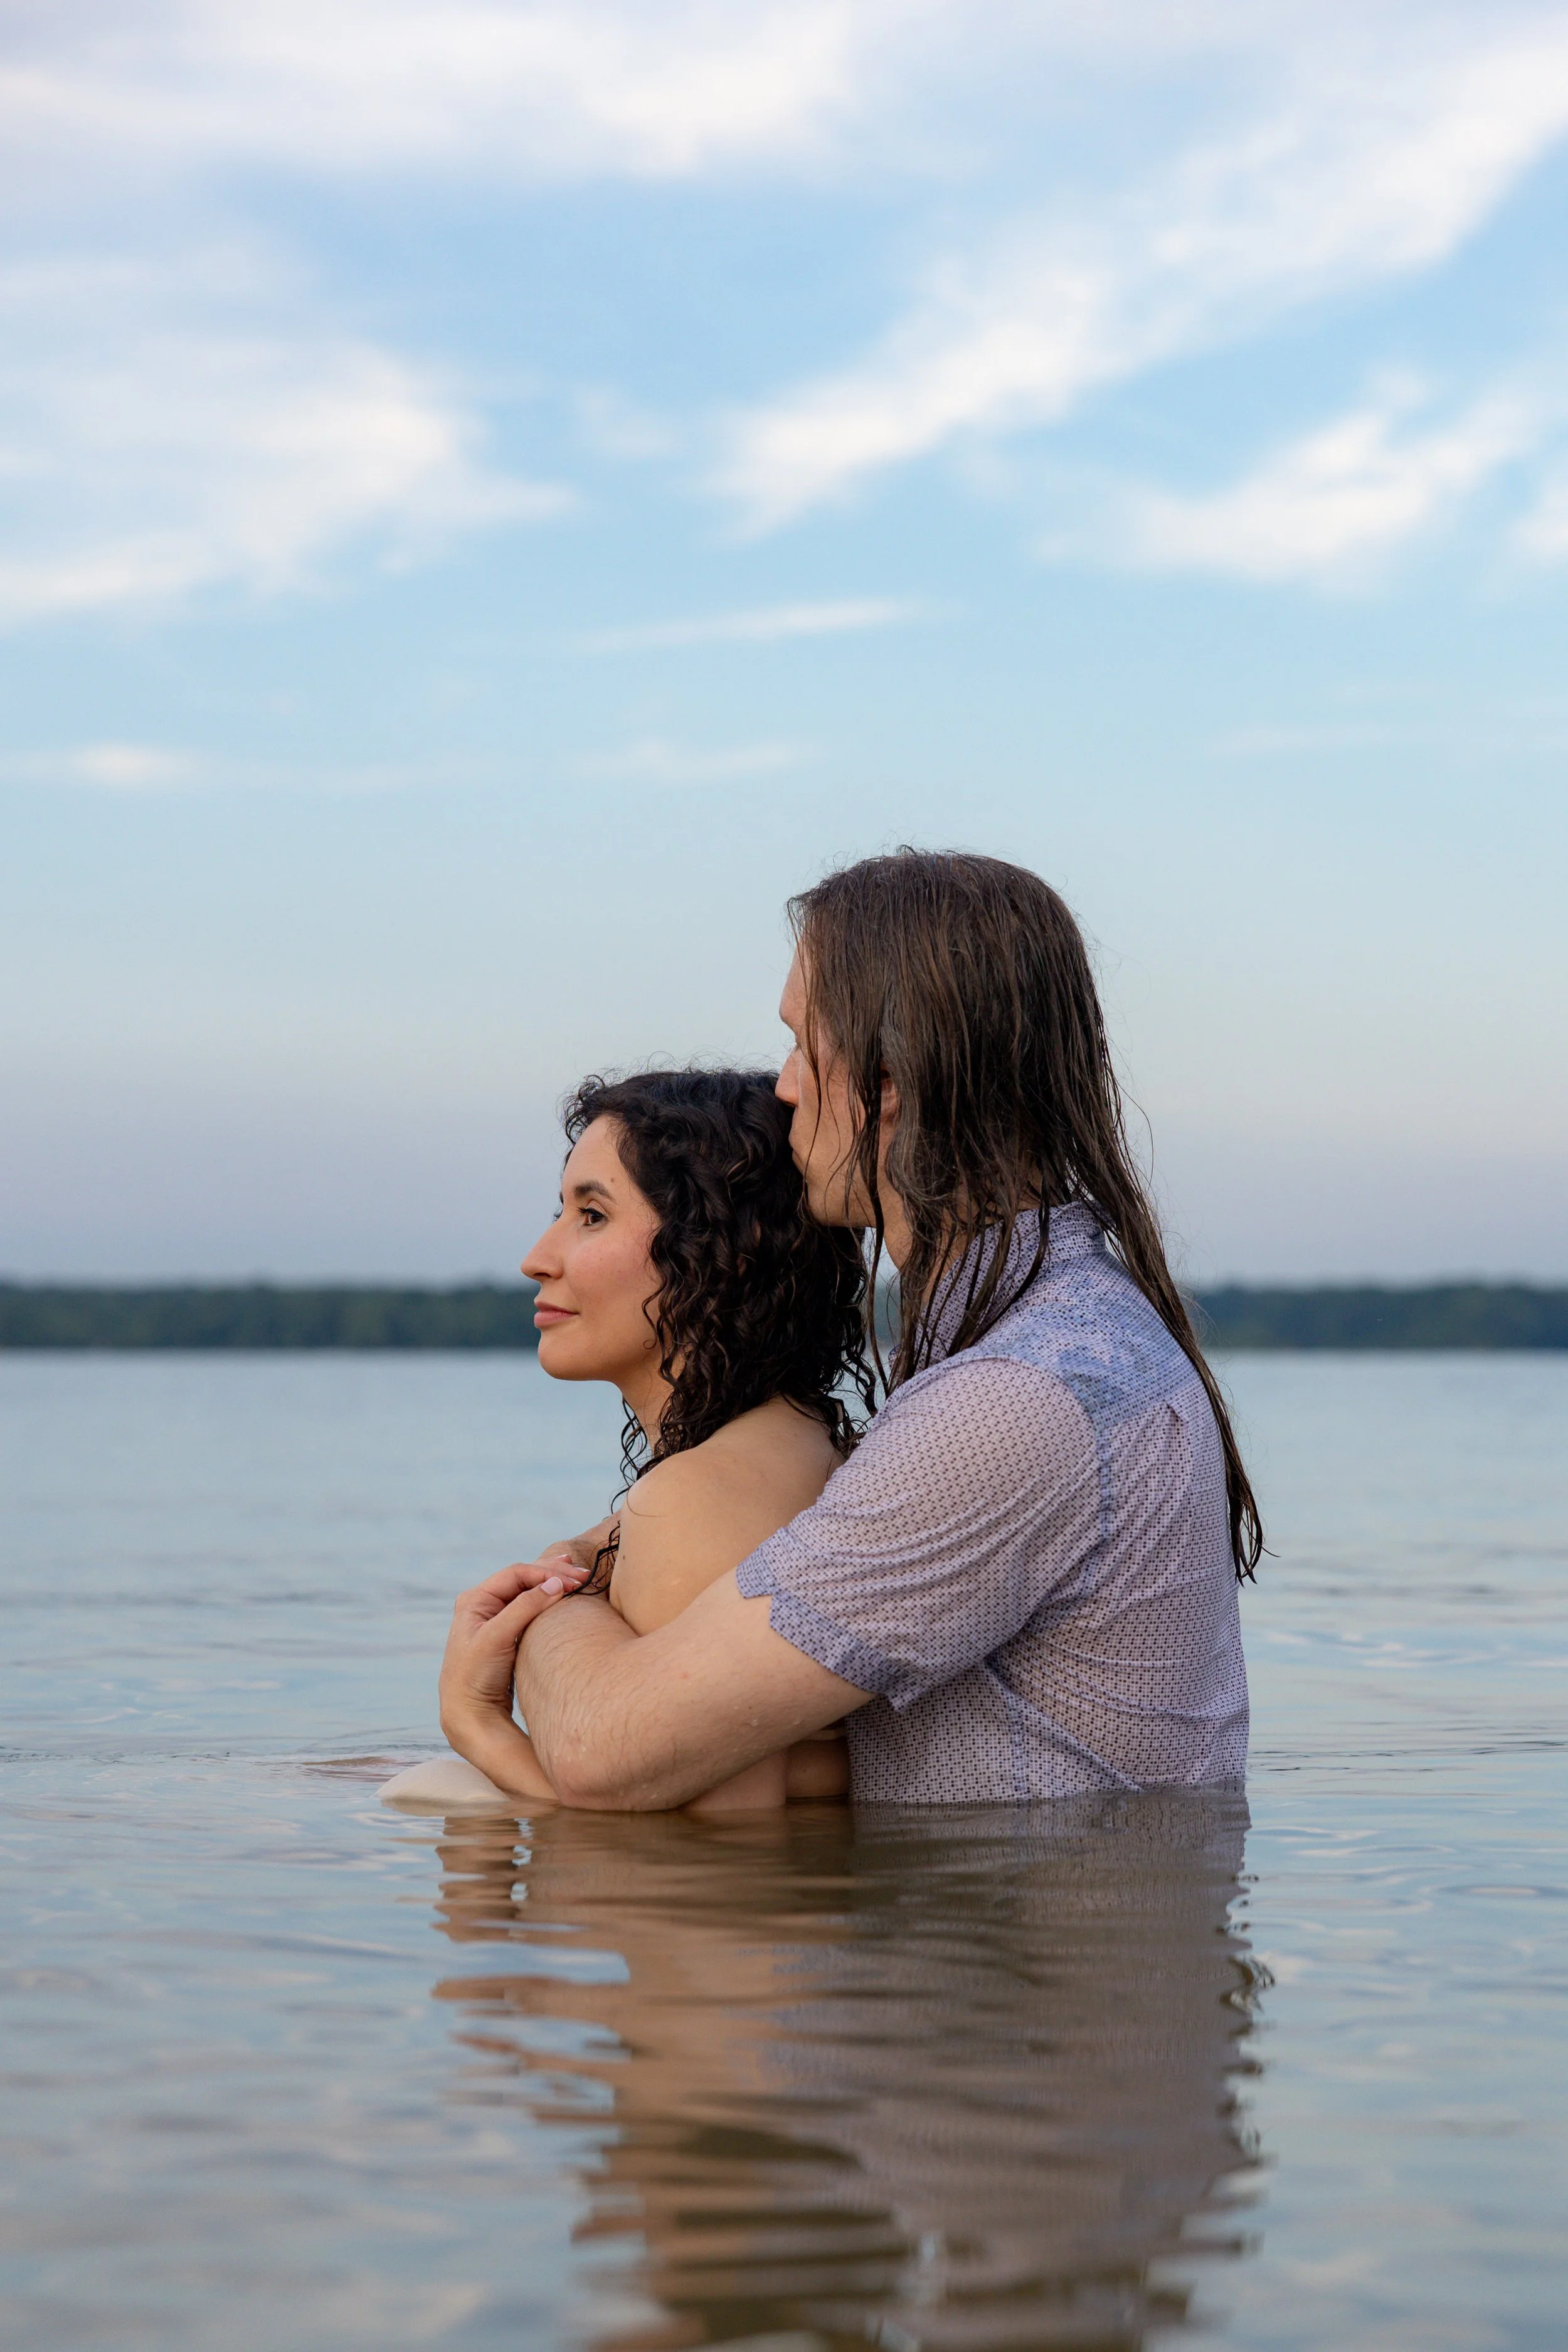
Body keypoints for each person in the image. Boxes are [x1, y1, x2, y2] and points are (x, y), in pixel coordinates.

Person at [438, 849, 1261, 1809]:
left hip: (1042, 1949)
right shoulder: (1063, 1342)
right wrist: (590, 1556)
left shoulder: (1015, 1401)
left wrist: (535, 1619)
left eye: (800, 1042)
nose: (783, 1086)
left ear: (893, 1076)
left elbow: (611, 1743)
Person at [381, 1066, 874, 1813]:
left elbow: (708, 1866)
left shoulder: (698, 1496)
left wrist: (481, 1732)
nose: (537, 1258)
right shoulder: (796, 1443)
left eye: (592, 1216)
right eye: (563, 1210)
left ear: (720, 1254)